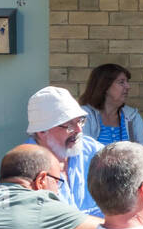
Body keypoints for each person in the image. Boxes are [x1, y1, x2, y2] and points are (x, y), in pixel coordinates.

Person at [28, 86, 104, 216]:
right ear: (42, 131)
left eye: (80, 121)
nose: (79, 130)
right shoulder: (22, 165)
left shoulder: (93, 150)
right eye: (69, 125)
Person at [79, 63, 143, 156]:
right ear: (104, 86)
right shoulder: (85, 115)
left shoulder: (131, 116)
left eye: (127, 82)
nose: (128, 86)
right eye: (121, 82)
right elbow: (82, 155)